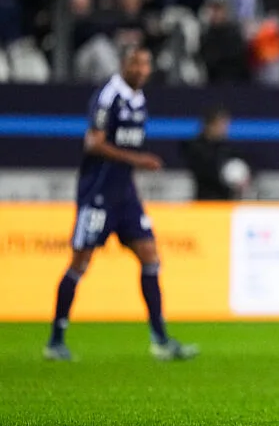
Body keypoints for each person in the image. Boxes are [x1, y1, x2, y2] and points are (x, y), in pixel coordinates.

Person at [44, 47, 198, 362]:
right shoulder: (108, 96)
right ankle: (55, 340)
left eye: (146, 63)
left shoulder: (139, 99)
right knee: (80, 262)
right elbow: (94, 142)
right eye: (136, 63)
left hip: (124, 194)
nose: (142, 69)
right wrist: (138, 159)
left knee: (150, 255)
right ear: (123, 64)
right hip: (97, 192)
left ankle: (160, 339)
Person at [181, 106, 251, 200]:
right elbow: (206, 170)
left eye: (226, 125)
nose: (225, 129)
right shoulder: (195, 147)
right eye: (221, 124)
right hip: (205, 201)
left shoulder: (227, 148)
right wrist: (226, 174)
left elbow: (244, 163)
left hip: (226, 202)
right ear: (210, 125)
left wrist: (243, 177)